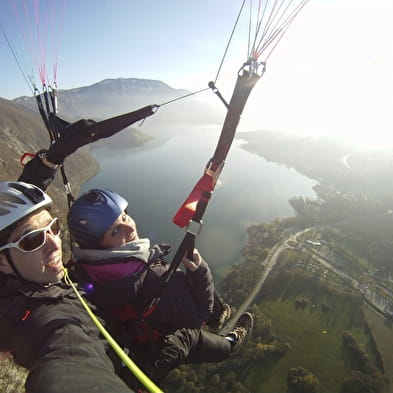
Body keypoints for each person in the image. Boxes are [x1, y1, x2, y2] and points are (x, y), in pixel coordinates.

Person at [0, 107, 156, 393]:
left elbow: (20, 212)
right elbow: (67, 352)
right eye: (33, 240)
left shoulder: (17, 265)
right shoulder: (34, 312)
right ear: (3, 262)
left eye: (54, 228)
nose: (54, 243)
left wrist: (50, 160)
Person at [66, 187, 254, 386]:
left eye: (124, 217)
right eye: (115, 231)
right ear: (96, 246)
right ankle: (232, 343)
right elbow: (199, 316)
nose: (130, 228)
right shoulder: (156, 279)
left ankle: (221, 322)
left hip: (132, 344)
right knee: (191, 339)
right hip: (156, 350)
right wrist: (200, 271)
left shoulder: (80, 273)